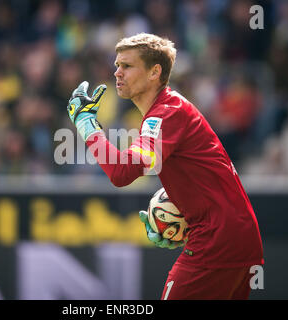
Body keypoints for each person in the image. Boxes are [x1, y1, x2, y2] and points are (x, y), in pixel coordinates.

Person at [66, 33, 263, 300]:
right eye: (116, 65)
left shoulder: (166, 113)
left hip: (216, 242)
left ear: (154, 72)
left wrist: (86, 124)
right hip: (238, 239)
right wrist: (181, 222)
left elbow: (122, 173)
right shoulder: (170, 109)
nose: (117, 73)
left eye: (127, 65)